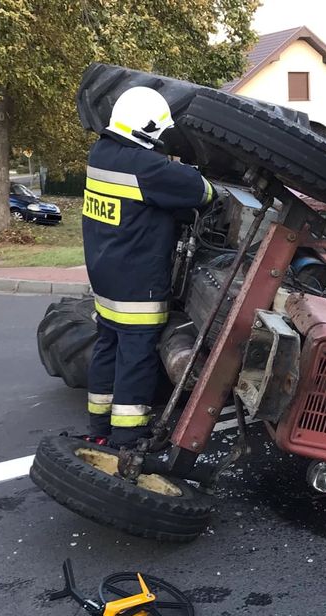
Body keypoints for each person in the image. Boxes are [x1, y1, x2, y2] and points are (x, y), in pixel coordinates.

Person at [81, 86, 214, 448]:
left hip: (105, 276)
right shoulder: (146, 168)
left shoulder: (100, 154)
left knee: (107, 346)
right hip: (138, 282)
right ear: (148, 128)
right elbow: (203, 192)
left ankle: (99, 427)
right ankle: (128, 436)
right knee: (136, 356)